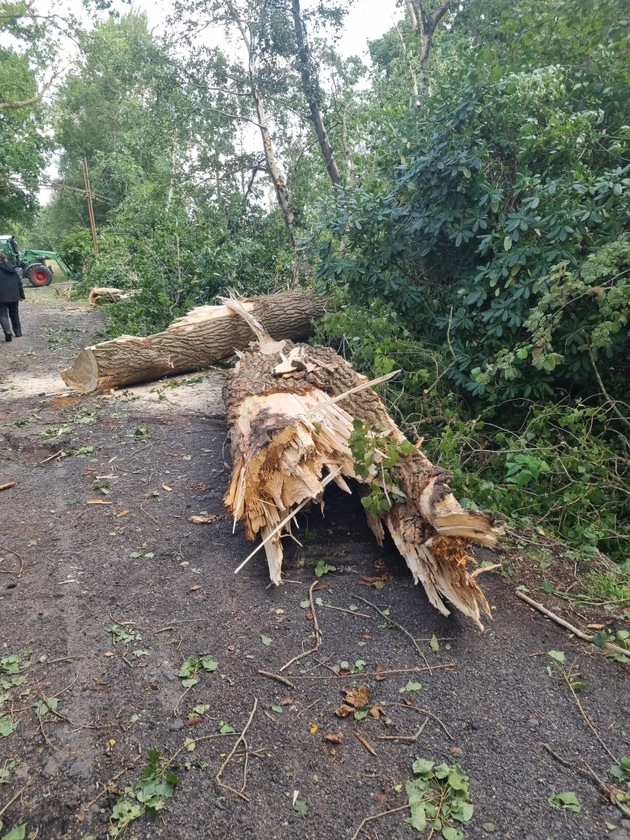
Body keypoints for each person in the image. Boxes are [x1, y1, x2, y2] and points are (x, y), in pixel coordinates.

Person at [0, 252, 25, 342]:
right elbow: (19, 282)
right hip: (14, 295)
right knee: (14, 313)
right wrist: (21, 295)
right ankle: (18, 332)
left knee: (2, 314)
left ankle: (7, 331)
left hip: (1, 296)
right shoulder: (11, 268)